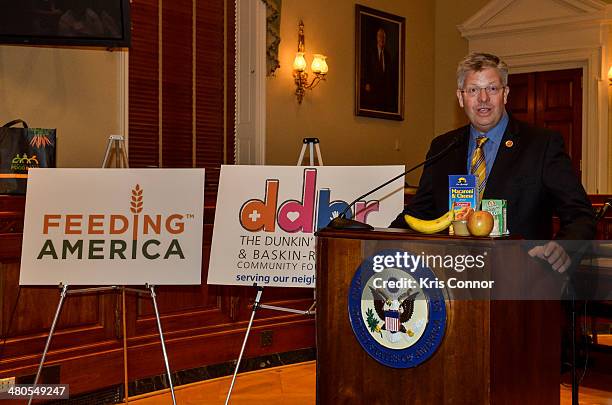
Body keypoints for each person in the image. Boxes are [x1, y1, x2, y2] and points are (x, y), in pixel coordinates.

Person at [390, 52, 596, 273]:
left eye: (492, 88)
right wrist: (376, 240)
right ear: (460, 98)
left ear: (505, 94)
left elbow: (580, 214)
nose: (483, 99)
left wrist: (564, 248)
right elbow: (419, 213)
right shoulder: (443, 147)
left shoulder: (541, 144)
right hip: (451, 279)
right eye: (473, 90)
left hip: (521, 281)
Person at [362, 27, 398, 113]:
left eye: (384, 37)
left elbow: (389, 74)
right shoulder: (371, 52)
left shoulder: (388, 55)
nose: (382, 39)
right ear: (377, 38)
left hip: (384, 90)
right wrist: (367, 83)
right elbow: (366, 68)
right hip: (373, 87)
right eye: (380, 36)